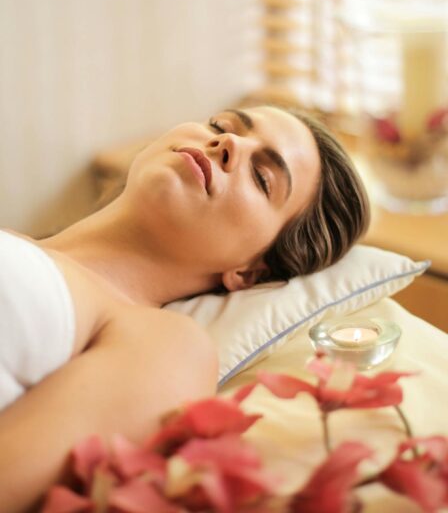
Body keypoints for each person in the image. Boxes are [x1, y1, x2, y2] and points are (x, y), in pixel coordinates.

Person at [0, 104, 370, 511]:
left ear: (248, 273)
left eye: (262, 178)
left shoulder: (167, 345)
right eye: (221, 125)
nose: (228, 142)